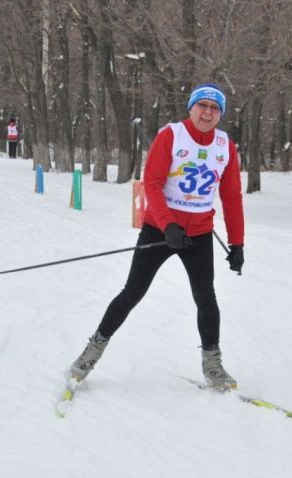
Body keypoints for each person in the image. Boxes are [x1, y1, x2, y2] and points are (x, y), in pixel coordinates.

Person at [68, 83, 245, 391]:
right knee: (131, 293)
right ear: (191, 108)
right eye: (202, 105)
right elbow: (152, 184)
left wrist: (237, 243)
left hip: (200, 234)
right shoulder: (171, 136)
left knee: (206, 298)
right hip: (161, 229)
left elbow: (231, 197)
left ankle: (213, 366)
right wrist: (168, 226)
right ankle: (89, 354)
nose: (207, 112)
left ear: (220, 114)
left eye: (214, 108)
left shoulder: (224, 145)